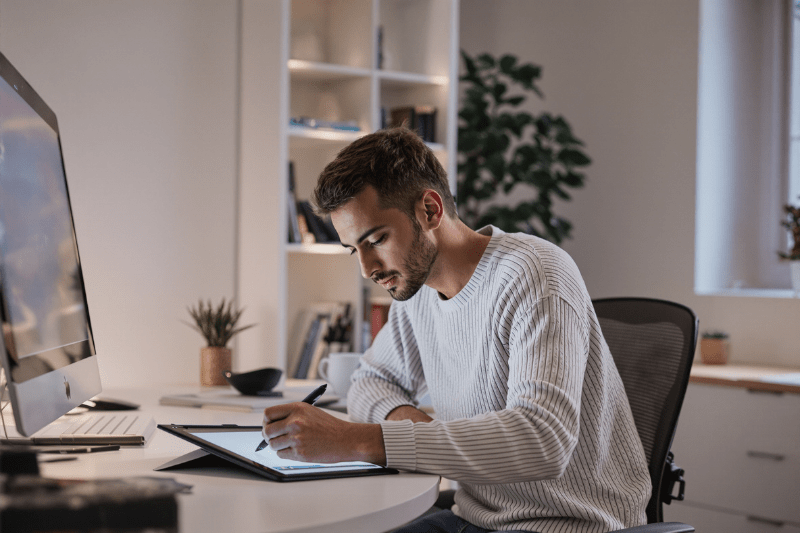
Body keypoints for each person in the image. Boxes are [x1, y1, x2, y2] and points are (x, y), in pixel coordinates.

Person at [262, 128, 651, 533]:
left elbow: (543, 440)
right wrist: (426, 436)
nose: (367, 269)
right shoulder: (419, 291)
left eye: (376, 239)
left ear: (430, 210)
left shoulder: (535, 274)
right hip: (473, 516)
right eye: (353, 249)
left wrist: (359, 440)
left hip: (568, 524)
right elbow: (369, 382)